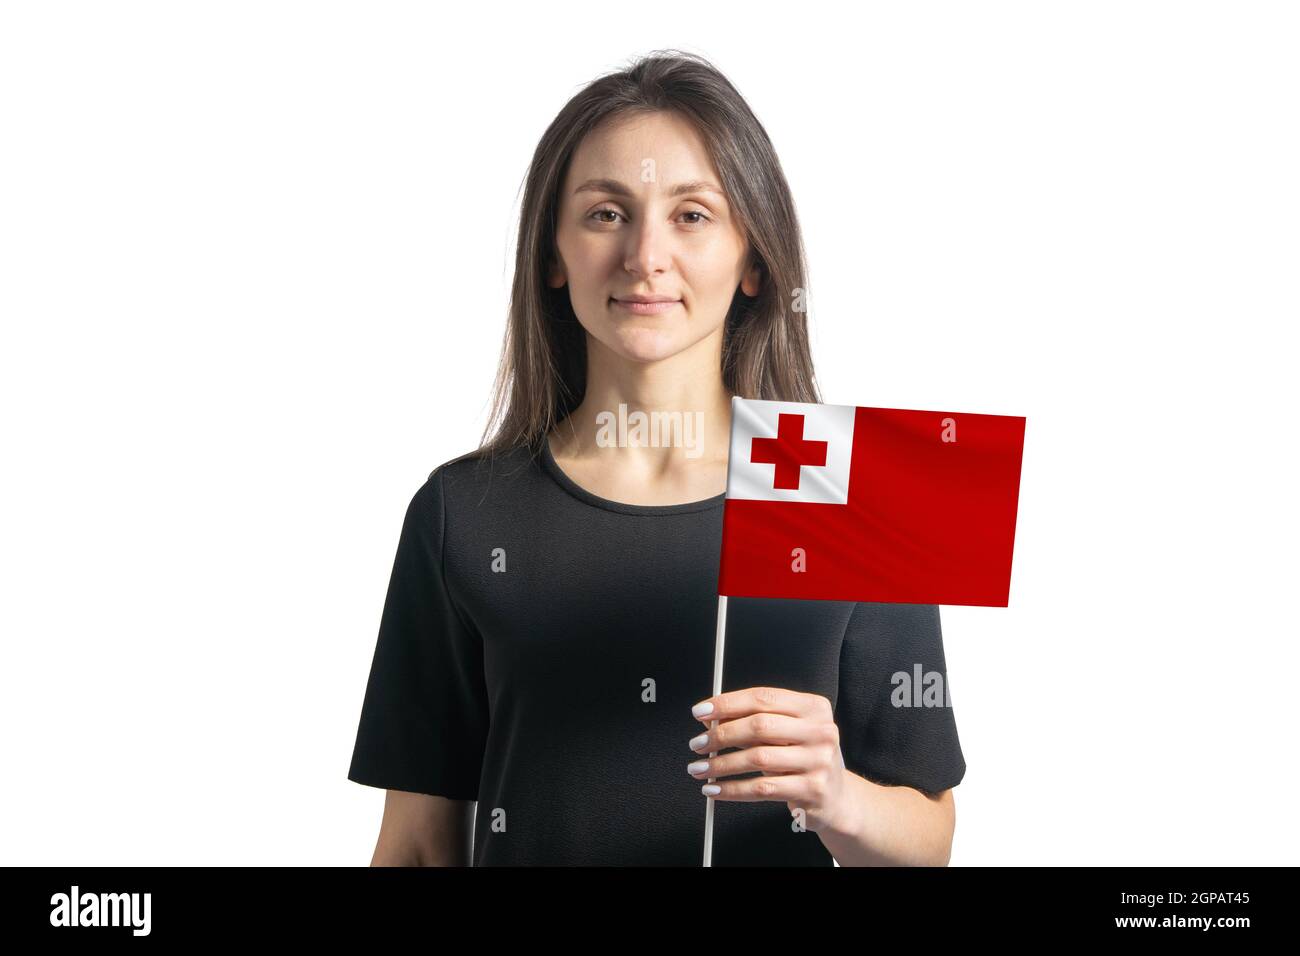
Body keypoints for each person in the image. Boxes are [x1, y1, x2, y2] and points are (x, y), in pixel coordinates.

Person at [347, 50, 966, 866]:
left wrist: (838, 797)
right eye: (606, 213)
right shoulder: (464, 513)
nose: (645, 257)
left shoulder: (851, 493)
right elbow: (420, 847)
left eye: (692, 215)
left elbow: (929, 840)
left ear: (753, 259)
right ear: (552, 256)